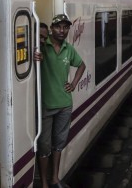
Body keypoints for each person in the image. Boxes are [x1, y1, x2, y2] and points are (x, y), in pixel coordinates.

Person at [34, 14, 86, 188]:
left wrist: (73, 83)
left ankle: (55, 179)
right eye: (58, 27)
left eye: (65, 27)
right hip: (46, 105)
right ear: (51, 28)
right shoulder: (42, 45)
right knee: (44, 146)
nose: (62, 31)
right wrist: (36, 57)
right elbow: (33, 57)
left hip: (64, 105)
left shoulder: (68, 49)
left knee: (58, 144)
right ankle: (43, 183)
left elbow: (81, 65)